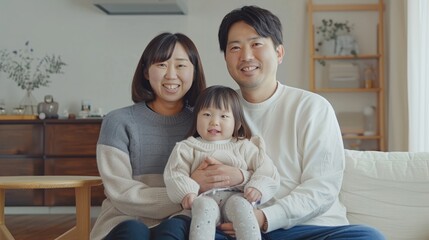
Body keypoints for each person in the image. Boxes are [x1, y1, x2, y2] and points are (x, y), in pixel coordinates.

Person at [191, 5, 386, 240]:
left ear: (279, 53)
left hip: (312, 228)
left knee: (368, 237)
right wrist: (197, 181)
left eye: (256, 44)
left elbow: (322, 188)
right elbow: (201, 171)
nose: (246, 56)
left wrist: (265, 218)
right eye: (235, 47)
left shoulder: (312, 107)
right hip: (240, 229)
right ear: (226, 58)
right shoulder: (215, 113)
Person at [90, 32, 206, 240]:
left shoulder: (204, 124)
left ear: (195, 72)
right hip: (124, 219)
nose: (171, 75)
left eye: (181, 65)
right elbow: (121, 193)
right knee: (135, 232)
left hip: (181, 220)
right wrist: (182, 197)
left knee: (174, 230)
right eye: (162, 64)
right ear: (145, 71)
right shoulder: (118, 121)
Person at [164, 85, 279, 240]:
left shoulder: (245, 146)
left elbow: (267, 170)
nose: (214, 122)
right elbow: (175, 173)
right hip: (203, 200)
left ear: (237, 123)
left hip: (236, 199)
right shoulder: (186, 147)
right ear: (196, 117)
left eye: (223, 116)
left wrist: (258, 187)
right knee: (204, 207)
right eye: (206, 114)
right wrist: (187, 191)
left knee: (241, 206)